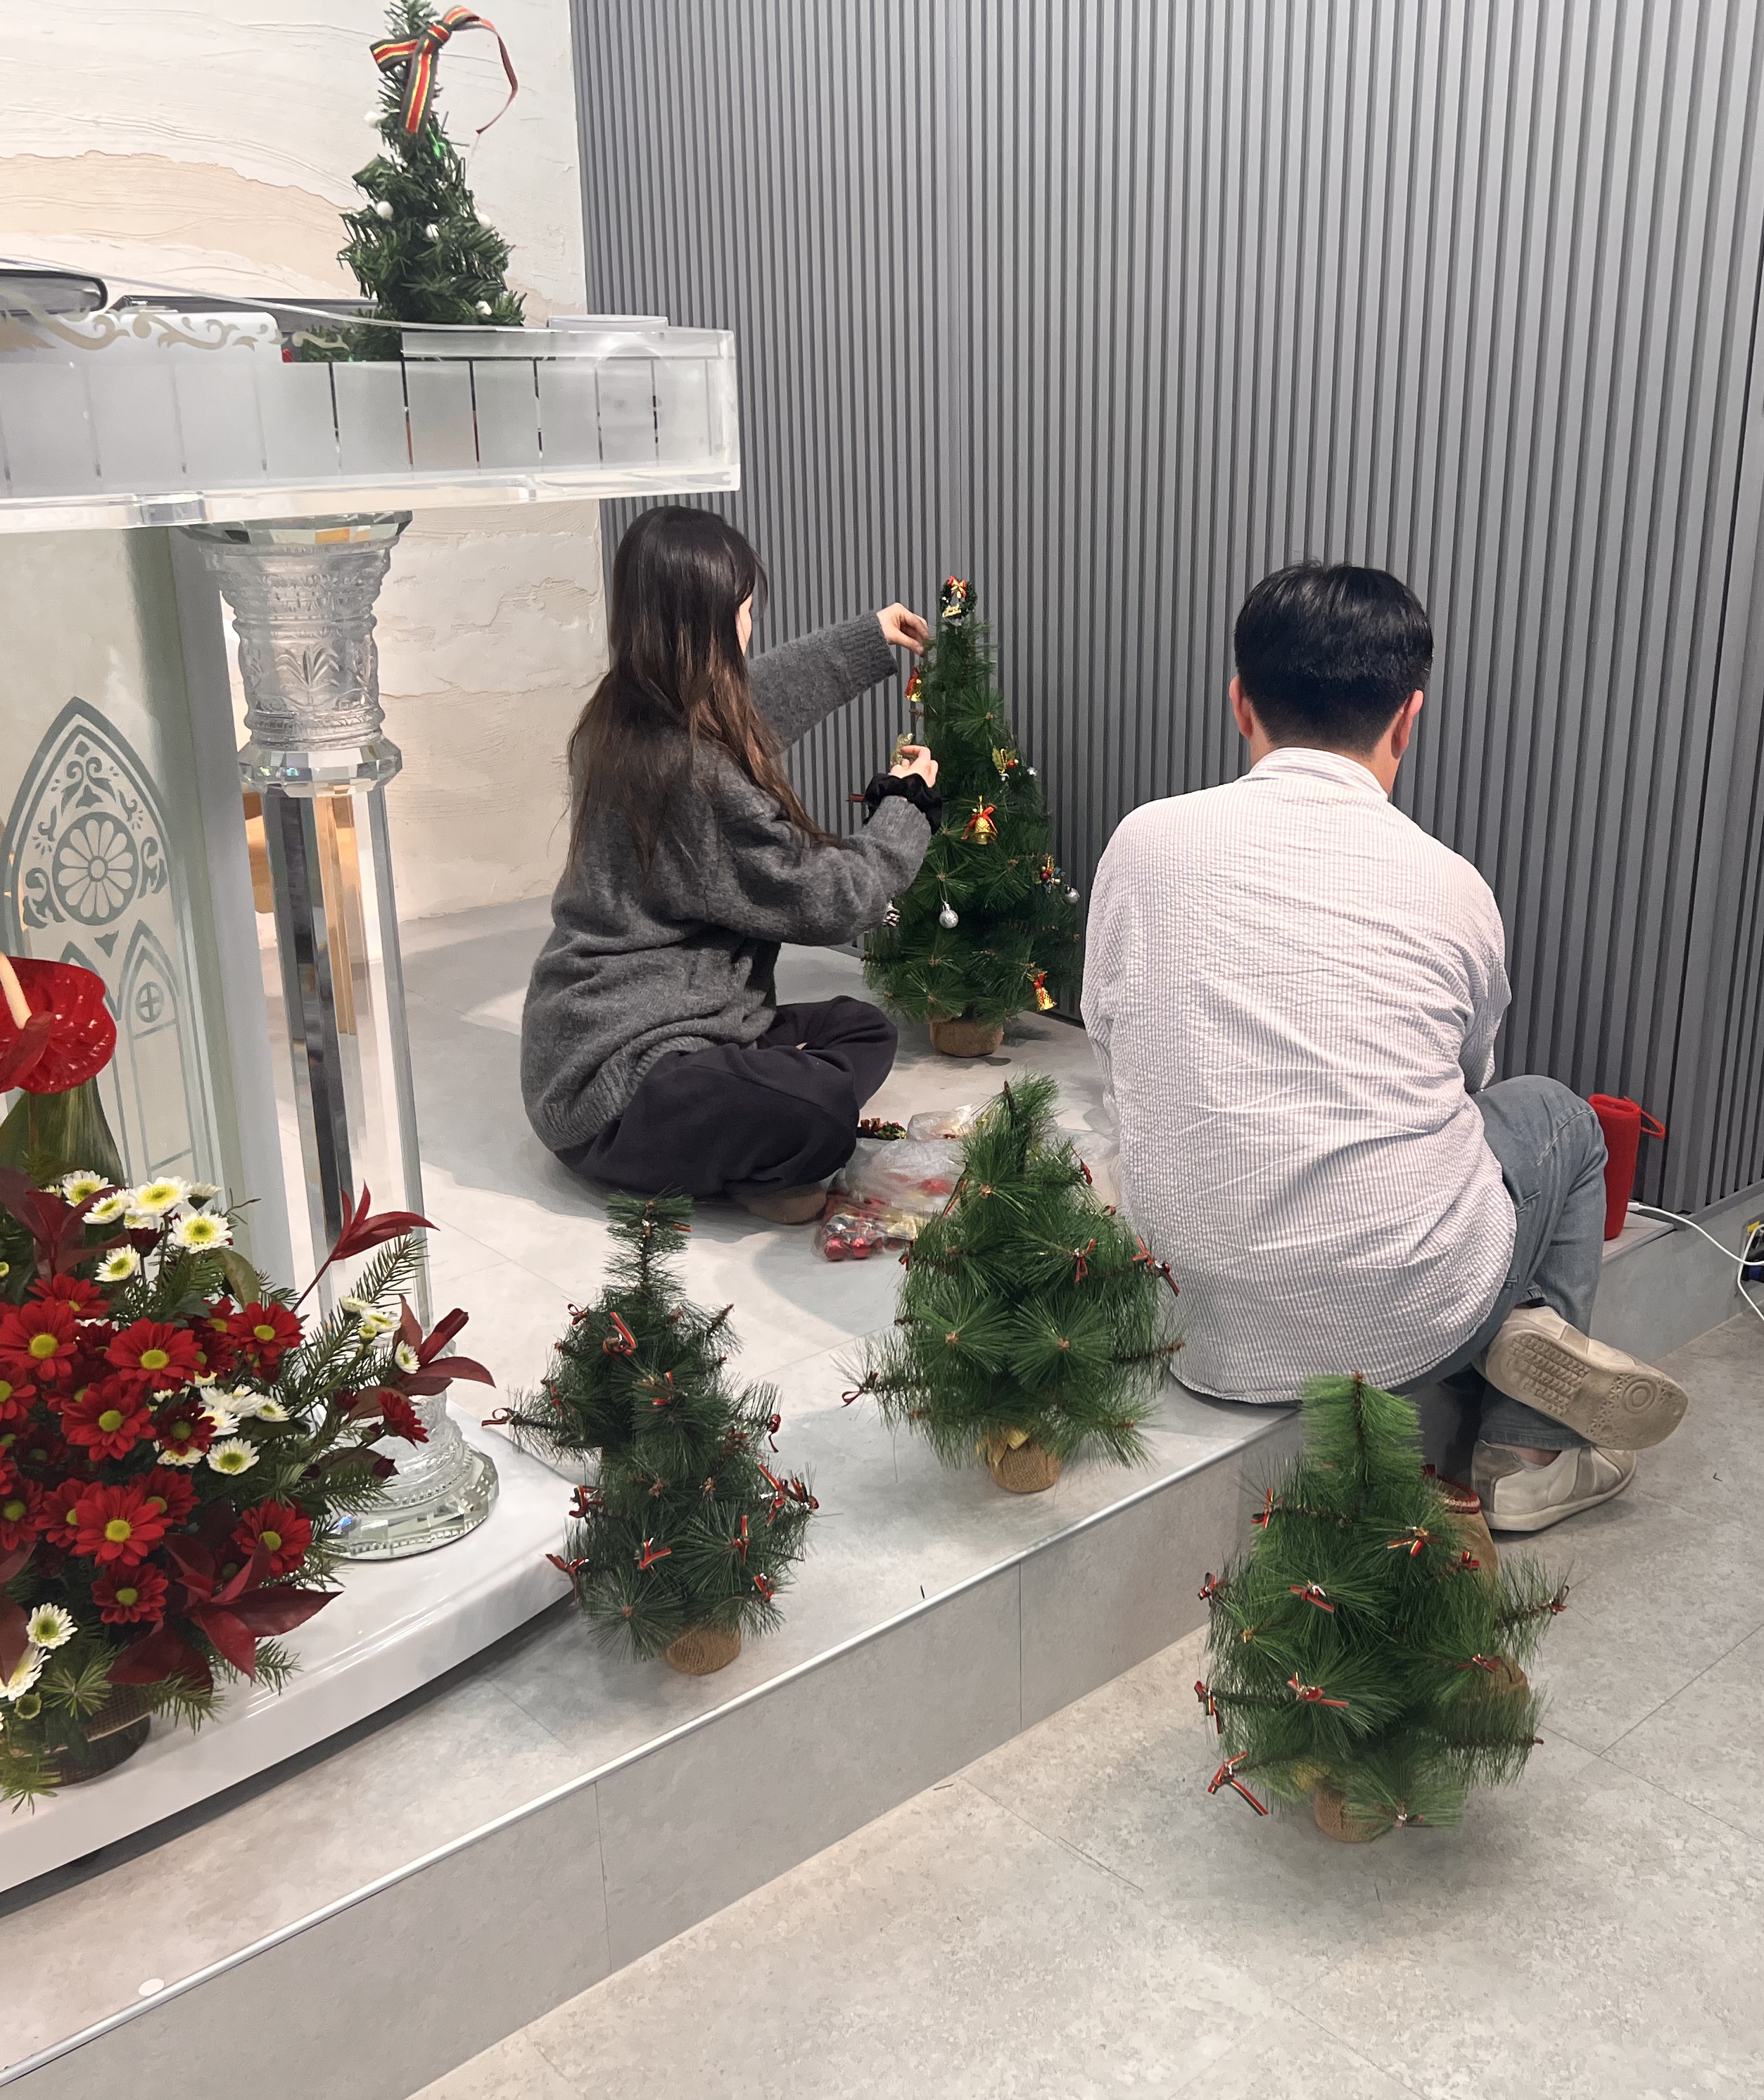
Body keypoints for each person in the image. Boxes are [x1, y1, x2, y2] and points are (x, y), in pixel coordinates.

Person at [1082, 561, 1688, 1531]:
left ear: (1241, 703)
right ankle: (1530, 1452)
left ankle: (1503, 1332)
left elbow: (1110, 1041)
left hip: (1185, 1318)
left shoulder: (1143, 843)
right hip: (1402, 1327)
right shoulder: (1452, 885)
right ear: (1408, 719)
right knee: (1558, 1118)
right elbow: (1466, 1086)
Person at [521, 505, 944, 1222]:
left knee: (864, 1030)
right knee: (821, 1109)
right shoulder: (691, 776)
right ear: (705, 627)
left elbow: (748, 706)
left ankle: (751, 1128)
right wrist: (908, 809)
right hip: (616, 1084)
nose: (751, 630)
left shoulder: (623, 712)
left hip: (667, 1026)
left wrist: (865, 640)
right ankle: (763, 1149)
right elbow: (830, 900)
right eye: (745, 613)